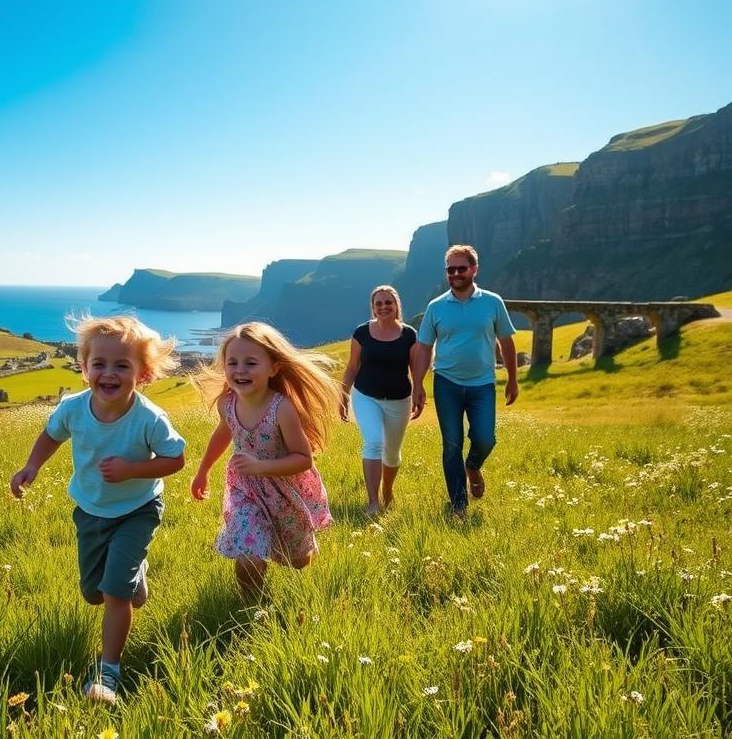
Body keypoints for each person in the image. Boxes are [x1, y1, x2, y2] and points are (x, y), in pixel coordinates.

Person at [9, 315, 186, 704]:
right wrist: (31, 466)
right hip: (90, 509)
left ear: (144, 373)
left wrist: (133, 470)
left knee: (114, 594)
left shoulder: (150, 418)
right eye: (99, 364)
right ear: (84, 366)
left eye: (122, 365)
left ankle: (108, 673)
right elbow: (51, 435)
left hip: (138, 509)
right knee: (93, 591)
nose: (109, 373)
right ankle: (134, 577)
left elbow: (176, 459)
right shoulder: (73, 408)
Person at [190, 322, 338, 599]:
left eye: (250, 362)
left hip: (285, 490)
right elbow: (223, 433)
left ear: (273, 367)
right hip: (245, 489)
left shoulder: (282, 409)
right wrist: (202, 471)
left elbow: (303, 459)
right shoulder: (227, 403)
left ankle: (303, 556)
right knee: (249, 553)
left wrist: (262, 467)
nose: (240, 369)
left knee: (297, 559)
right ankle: (252, 606)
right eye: (232, 362)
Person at [411, 245, 518, 518]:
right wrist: (418, 384)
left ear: (474, 269)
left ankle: (473, 467)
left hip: (483, 384)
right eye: (451, 269)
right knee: (451, 444)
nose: (456, 274)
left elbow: (506, 342)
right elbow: (424, 348)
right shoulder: (435, 307)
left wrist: (513, 379)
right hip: (446, 383)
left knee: (485, 439)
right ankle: (458, 505)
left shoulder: (493, 302)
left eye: (462, 268)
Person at [339, 285, 419, 516]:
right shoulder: (361, 333)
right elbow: (352, 367)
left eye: (388, 303)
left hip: (399, 400)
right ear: (373, 308)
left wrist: (418, 393)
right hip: (365, 396)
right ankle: (373, 503)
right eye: (379, 304)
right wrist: (343, 395)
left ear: (396, 306)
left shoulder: (409, 334)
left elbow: (415, 370)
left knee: (392, 453)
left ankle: (387, 490)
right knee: (373, 442)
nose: (384, 307)